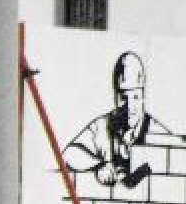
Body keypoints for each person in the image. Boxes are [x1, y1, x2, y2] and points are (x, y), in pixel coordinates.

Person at [64, 51, 170, 187]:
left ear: (143, 97)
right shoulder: (102, 126)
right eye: (124, 98)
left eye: (136, 97)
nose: (130, 107)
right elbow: (69, 155)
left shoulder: (158, 133)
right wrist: (99, 165)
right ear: (115, 97)